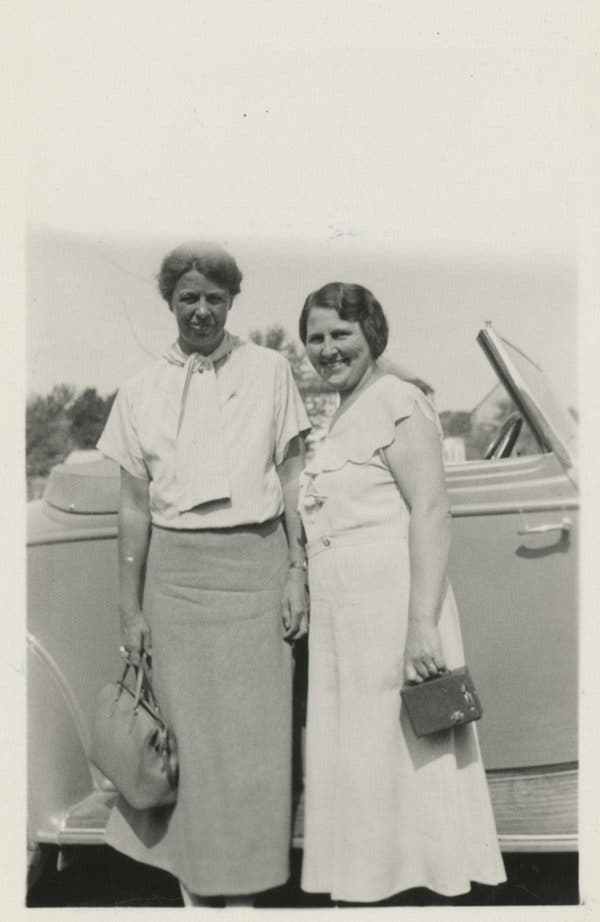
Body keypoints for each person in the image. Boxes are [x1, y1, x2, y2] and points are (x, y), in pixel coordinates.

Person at [96, 242, 311, 906]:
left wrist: (297, 569)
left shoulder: (272, 370)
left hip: (256, 570)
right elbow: (134, 508)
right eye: (189, 296)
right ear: (170, 302)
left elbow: (294, 478)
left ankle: (243, 901)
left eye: (214, 297)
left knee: (253, 751)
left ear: (231, 301)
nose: (202, 310)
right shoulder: (139, 390)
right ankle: (194, 897)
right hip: (177, 581)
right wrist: (131, 611)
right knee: (186, 749)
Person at [296, 282, 506, 904]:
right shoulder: (344, 413)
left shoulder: (399, 402)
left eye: (341, 335)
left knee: (411, 766)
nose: (328, 349)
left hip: (396, 614)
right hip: (346, 622)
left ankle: (425, 894)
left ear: (371, 335)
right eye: (316, 337)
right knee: (365, 767)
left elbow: (432, 512)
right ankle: (370, 890)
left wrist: (422, 625)